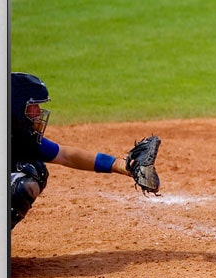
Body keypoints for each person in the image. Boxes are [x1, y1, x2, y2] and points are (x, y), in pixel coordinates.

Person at [9, 72, 160, 230]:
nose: (39, 112)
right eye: (33, 107)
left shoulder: (19, 138)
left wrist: (121, 166)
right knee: (23, 183)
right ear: (15, 109)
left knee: (36, 169)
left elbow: (66, 156)